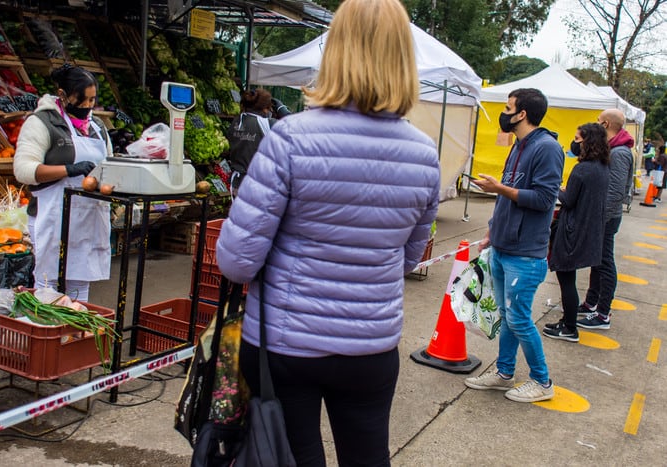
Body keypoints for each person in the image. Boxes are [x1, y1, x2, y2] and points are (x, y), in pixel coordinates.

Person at [215, 0, 440, 464]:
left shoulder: (291, 137)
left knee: (291, 454)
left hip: (286, 344)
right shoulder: (424, 154)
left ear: (335, 51)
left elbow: (237, 260)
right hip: (371, 345)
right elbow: (408, 258)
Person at [464, 88, 564, 403]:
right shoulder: (518, 146)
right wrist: (492, 232)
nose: (503, 114)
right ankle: (504, 373)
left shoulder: (547, 148)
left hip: (525, 254)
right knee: (507, 317)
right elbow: (507, 197)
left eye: (508, 108)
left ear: (522, 114)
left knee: (519, 318)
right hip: (503, 247)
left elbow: (546, 199)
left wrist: (500, 188)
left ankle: (542, 382)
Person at [14, 65, 112, 302]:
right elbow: (23, 170)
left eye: (92, 100)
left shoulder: (97, 127)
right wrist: (69, 170)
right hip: (52, 215)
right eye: (82, 100)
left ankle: (73, 335)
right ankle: (49, 334)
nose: (88, 106)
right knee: (48, 285)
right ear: (63, 95)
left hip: (88, 219)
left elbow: (109, 164)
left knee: (80, 284)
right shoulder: (41, 122)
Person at [543, 123, 610, 342]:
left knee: (566, 278)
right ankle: (567, 321)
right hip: (588, 228)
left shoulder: (582, 169)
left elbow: (570, 199)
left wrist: (560, 191)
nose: (574, 143)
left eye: (577, 139)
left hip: (573, 230)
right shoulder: (602, 166)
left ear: (587, 142)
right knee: (567, 277)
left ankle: (570, 326)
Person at [575, 109, 635, 330]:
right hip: (602, 216)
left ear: (606, 123)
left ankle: (602, 313)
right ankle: (591, 303)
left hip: (606, 218)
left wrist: (599, 219)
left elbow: (615, 192)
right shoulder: (615, 149)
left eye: (598, 122)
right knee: (597, 261)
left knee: (605, 262)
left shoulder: (620, 153)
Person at [227, 88, 275, 196]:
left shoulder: (237, 121)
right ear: (265, 109)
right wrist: (282, 109)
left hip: (237, 182)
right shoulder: (267, 123)